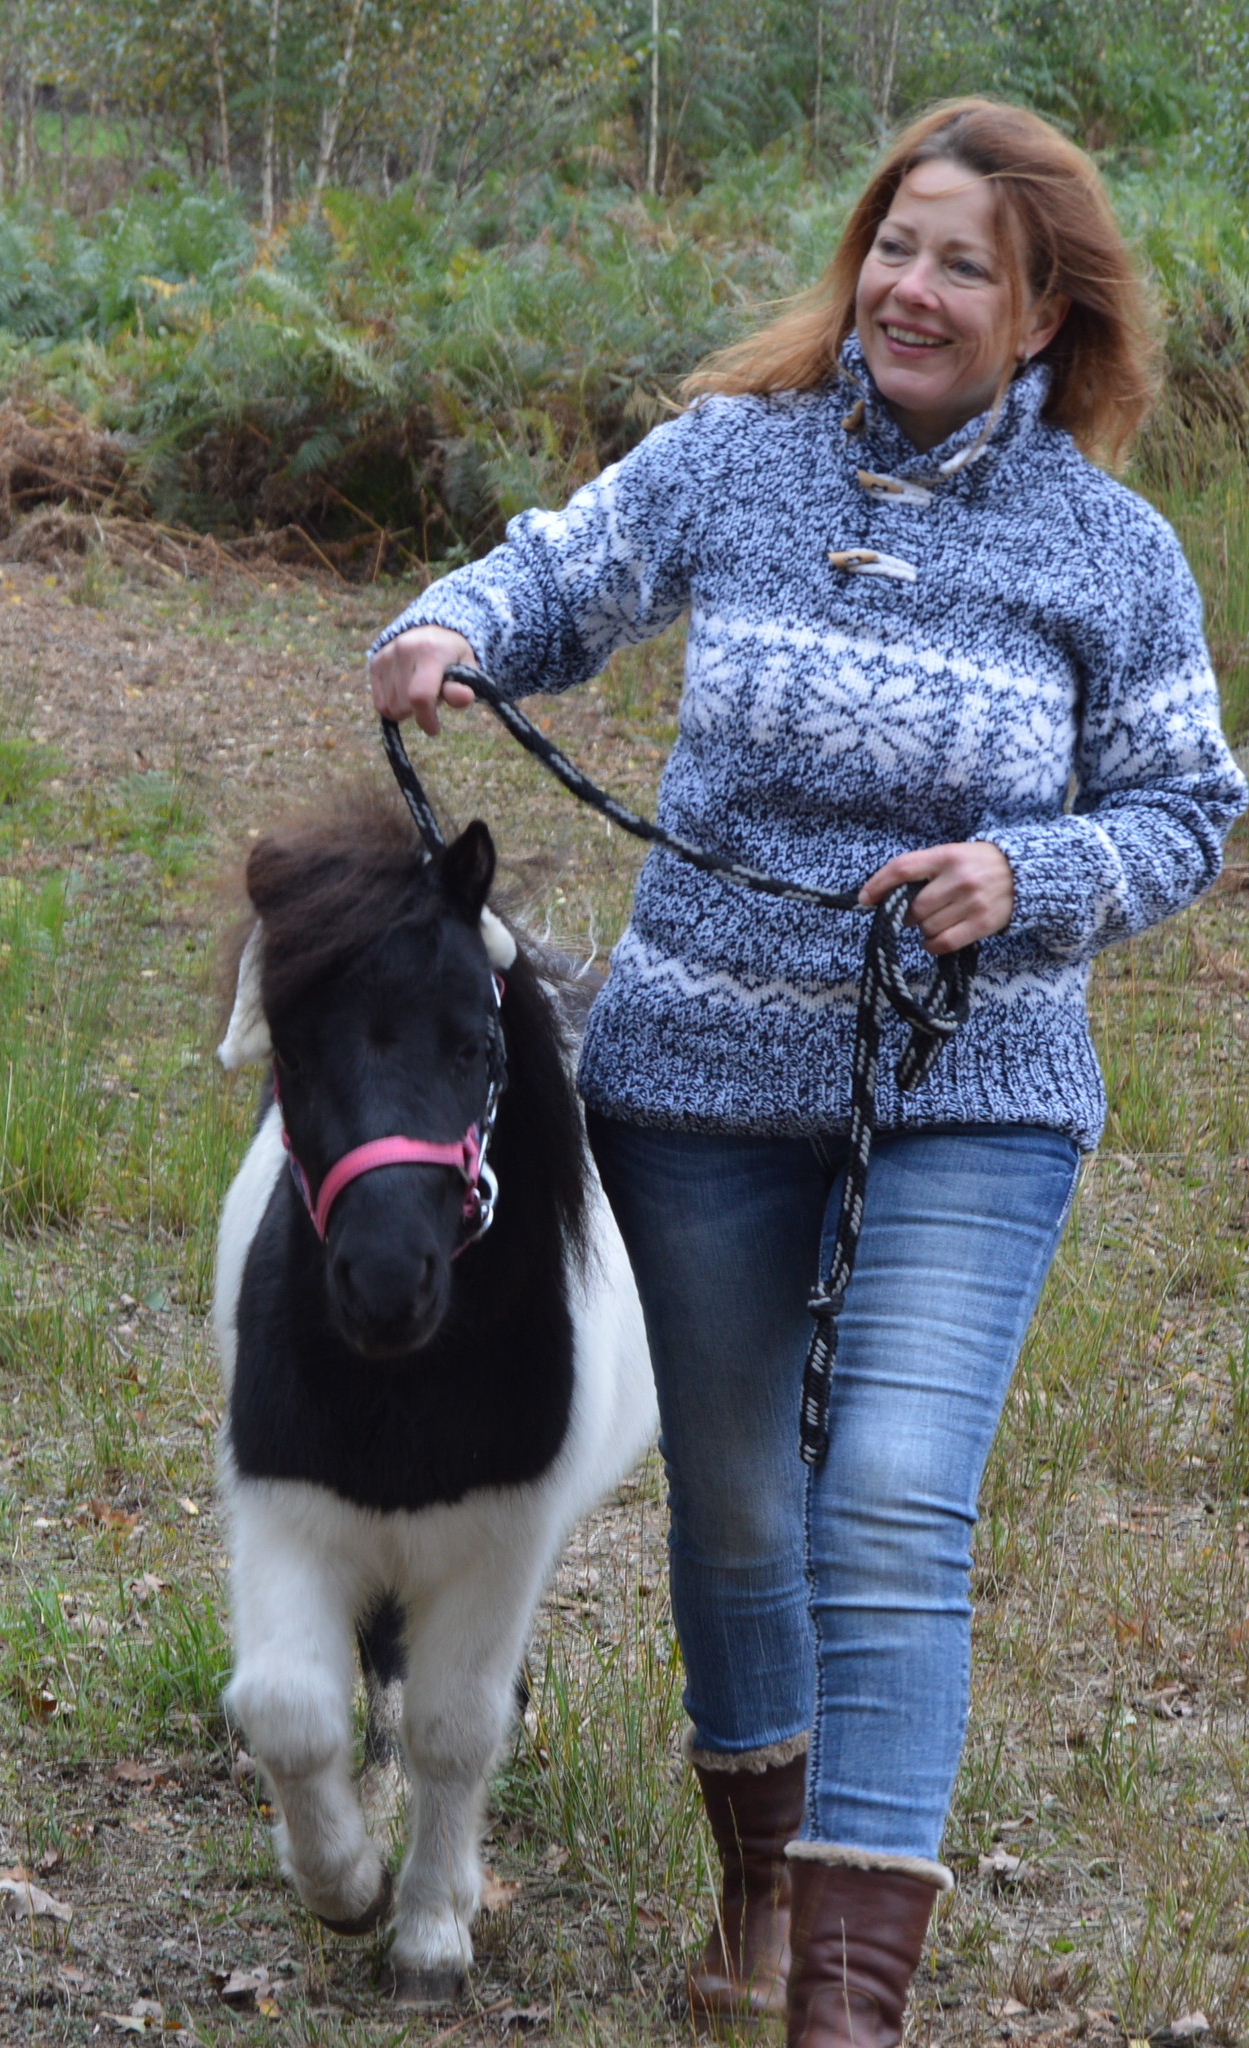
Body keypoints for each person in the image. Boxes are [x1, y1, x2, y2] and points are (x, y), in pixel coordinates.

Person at [367, 98, 1247, 2048]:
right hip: (692, 1079)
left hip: (973, 1082)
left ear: (1040, 322)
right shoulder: (733, 463)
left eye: (965, 269)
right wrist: (447, 623)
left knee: (893, 1497)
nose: (911, 290)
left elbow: (1188, 812)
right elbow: (559, 574)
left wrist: (1030, 873)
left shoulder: (1108, 553)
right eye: (895, 248)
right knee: (743, 1507)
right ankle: (756, 1883)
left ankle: (843, 2010)